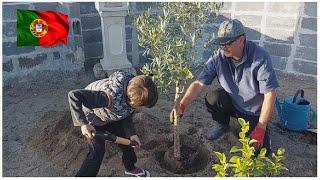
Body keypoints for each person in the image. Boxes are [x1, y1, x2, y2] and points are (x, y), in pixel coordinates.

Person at [171, 19, 279, 154]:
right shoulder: (219, 57)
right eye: (221, 43)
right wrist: (182, 104)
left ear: (241, 40)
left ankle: (255, 127)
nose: (223, 47)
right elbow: (199, 83)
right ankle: (222, 124)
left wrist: (261, 127)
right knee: (213, 98)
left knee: (259, 152)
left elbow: (270, 94)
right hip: (233, 104)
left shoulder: (260, 57)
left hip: (253, 112)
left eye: (228, 42)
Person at [68, 71, 158, 177]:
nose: (140, 108)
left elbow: (126, 113)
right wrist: (83, 124)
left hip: (111, 113)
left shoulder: (135, 87)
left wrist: (131, 133)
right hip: (92, 118)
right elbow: (73, 95)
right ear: (131, 101)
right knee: (97, 151)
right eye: (139, 106)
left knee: (128, 141)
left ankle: (130, 168)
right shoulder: (106, 97)